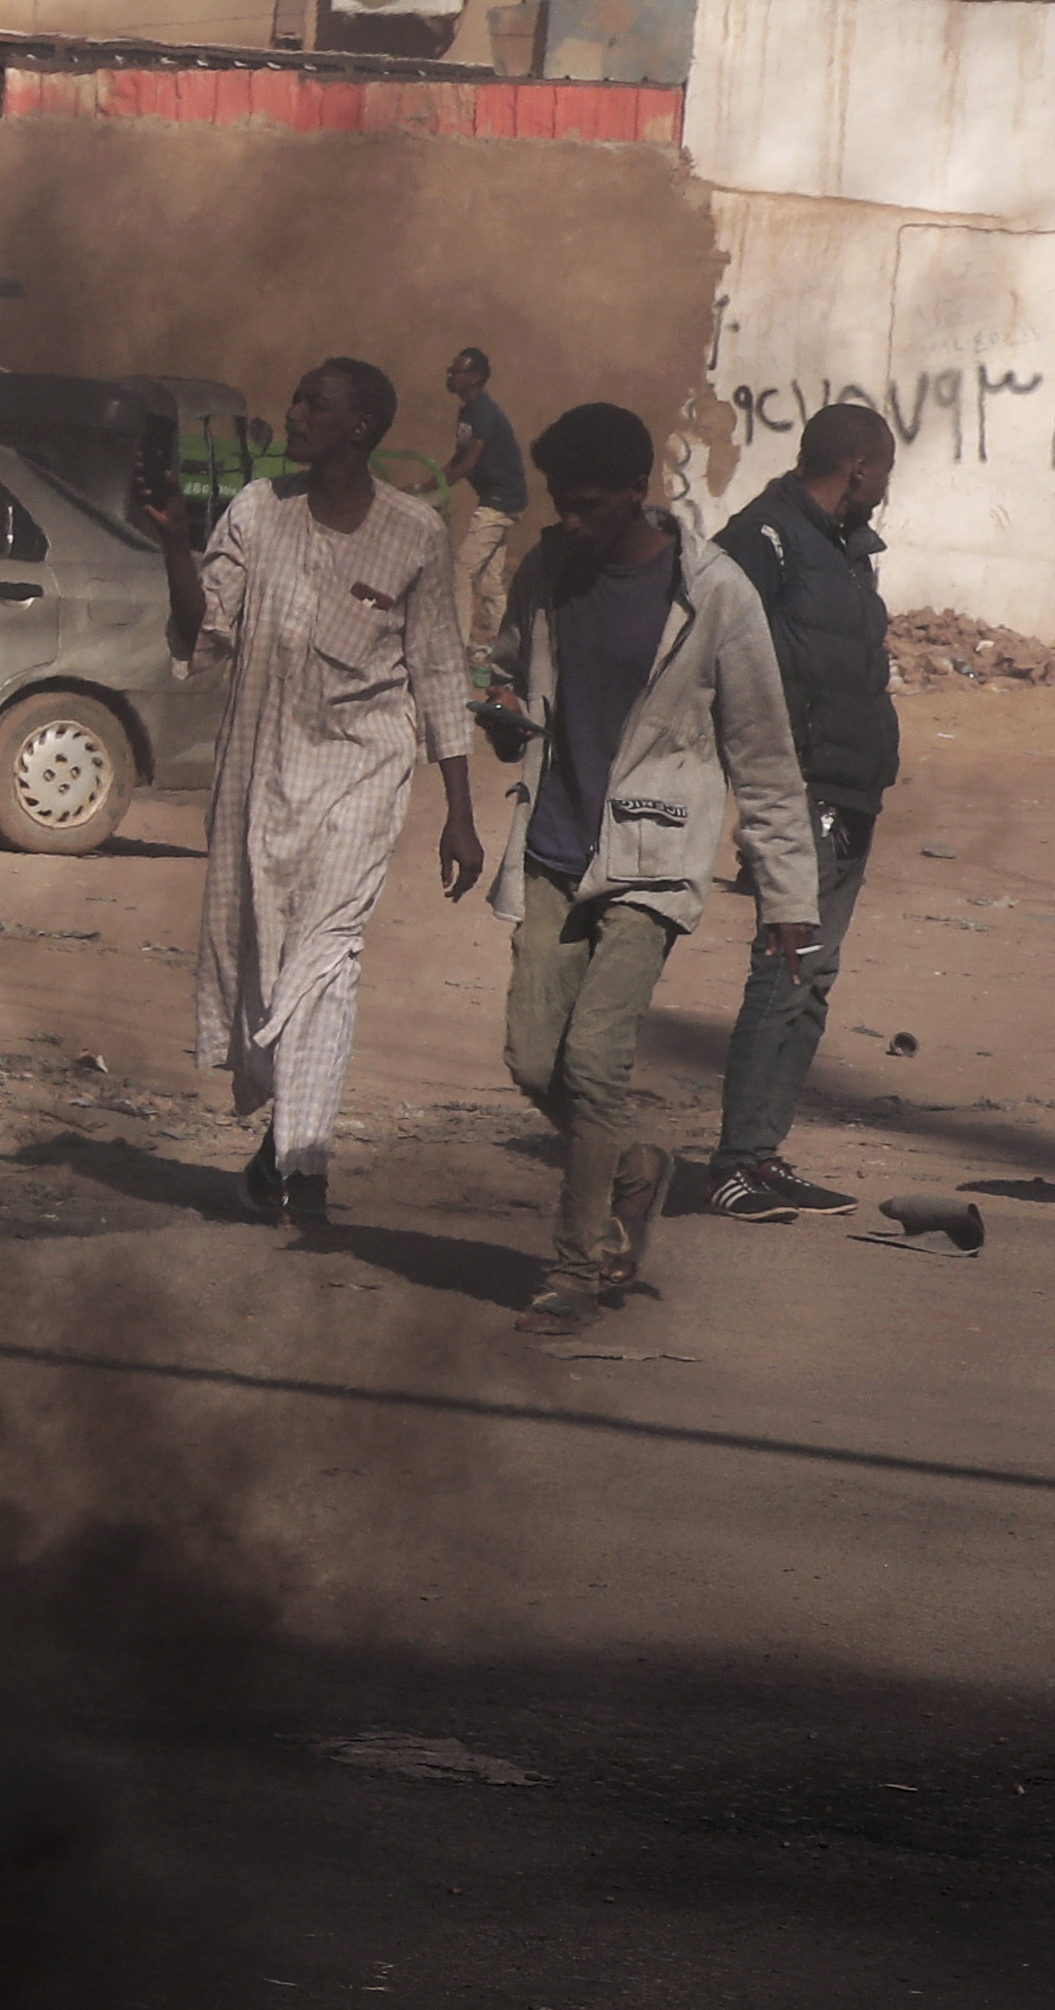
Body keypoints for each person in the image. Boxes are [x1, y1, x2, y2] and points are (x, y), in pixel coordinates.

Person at [465, 400, 818, 1334]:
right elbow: (508, 674)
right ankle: (636, 1170)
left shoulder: (716, 594)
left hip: (653, 859)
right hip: (551, 848)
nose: (567, 519)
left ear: (637, 492)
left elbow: (765, 754)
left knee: (591, 1063)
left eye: (585, 504)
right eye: (557, 501)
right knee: (532, 1059)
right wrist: (501, 710)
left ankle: (580, 1268)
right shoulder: (544, 571)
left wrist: (786, 892)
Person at [140, 355, 476, 1237]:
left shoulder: (415, 535)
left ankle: (306, 1166)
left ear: (360, 427)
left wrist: (462, 814)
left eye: (313, 404)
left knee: (325, 958)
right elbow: (204, 628)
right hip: (259, 772)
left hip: (364, 773)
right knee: (263, 962)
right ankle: (278, 1148)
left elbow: (439, 668)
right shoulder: (259, 511)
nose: (293, 413)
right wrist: (176, 539)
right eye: (295, 398)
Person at [702, 402, 903, 1220]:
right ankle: (735, 1163)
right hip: (797, 792)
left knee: (813, 979)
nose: (885, 490)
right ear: (858, 469)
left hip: (852, 792)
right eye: (883, 473)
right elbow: (710, 649)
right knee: (784, 973)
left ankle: (765, 1153)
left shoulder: (845, 549)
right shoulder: (766, 538)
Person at [441, 345, 536, 646]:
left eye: (457, 372)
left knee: (461, 571)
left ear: (476, 377)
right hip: (498, 499)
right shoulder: (468, 412)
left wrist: (430, 489)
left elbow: (468, 465)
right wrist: (425, 485)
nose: (451, 375)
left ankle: (456, 644)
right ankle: (506, 642)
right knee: (488, 580)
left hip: (501, 502)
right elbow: (458, 462)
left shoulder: (483, 411)